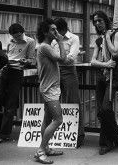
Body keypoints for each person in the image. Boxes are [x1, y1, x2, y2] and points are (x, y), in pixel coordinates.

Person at [0, 23, 36, 145]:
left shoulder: (30, 41)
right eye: (14, 36)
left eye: (18, 36)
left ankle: (3, 134)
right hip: (6, 69)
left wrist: (25, 61)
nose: (16, 38)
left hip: (17, 72)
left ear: (22, 32)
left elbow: (31, 59)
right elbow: (6, 57)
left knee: (9, 107)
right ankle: (13, 104)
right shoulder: (10, 41)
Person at [34, 19, 68, 164]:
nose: (56, 32)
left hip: (50, 87)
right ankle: (41, 150)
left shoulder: (46, 46)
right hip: (49, 90)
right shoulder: (45, 47)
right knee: (58, 120)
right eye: (53, 30)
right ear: (45, 32)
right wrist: (60, 41)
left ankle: (46, 148)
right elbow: (63, 59)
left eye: (56, 29)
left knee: (47, 119)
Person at [90, 10, 118, 155]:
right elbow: (93, 61)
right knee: (101, 111)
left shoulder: (116, 34)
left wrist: (108, 38)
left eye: (100, 21)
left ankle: (106, 143)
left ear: (106, 21)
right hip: (101, 77)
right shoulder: (98, 40)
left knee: (105, 109)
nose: (97, 23)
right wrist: (105, 65)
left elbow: (115, 53)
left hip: (112, 77)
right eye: (95, 21)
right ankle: (116, 135)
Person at [52, 18, 85, 147]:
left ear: (62, 29)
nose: (54, 33)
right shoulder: (53, 39)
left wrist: (55, 58)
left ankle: (78, 135)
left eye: (56, 30)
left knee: (73, 102)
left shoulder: (74, 38)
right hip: (54, 72)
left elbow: (70, 59)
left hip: (68, 71)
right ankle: (58, 135)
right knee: (54, 102)